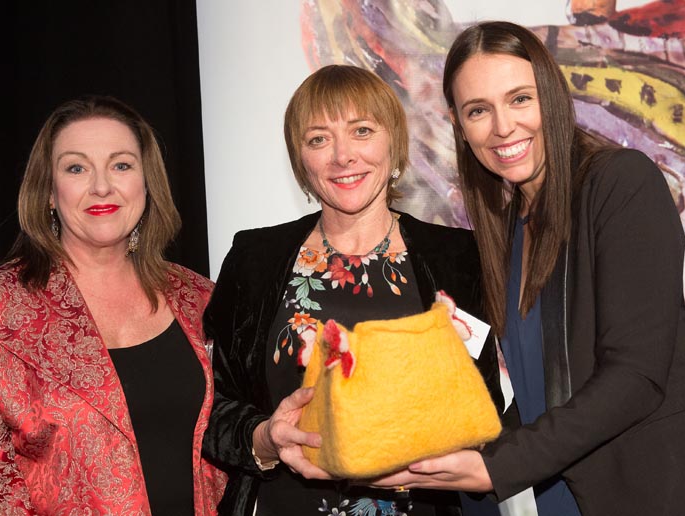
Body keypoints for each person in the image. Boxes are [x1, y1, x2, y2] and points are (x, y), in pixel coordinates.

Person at [370, 20, 685, 516]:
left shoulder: (620, 184)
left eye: (520, 99)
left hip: (663, 495)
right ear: (459, 124)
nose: (503, 127)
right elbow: (536, 396)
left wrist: (495, 468)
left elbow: (635, 376)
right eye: (479, 110)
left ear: (553, 97)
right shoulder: (509, 229)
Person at [201, 64, 504, 516]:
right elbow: (210, 406)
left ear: (393, 143)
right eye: (318, 138)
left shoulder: (459, 257)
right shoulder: (254, 258)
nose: (343, 156)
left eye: (362, 131)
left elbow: (485, 404)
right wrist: (263, 437)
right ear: (300, 159)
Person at [0, 95, 225, 515]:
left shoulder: (201, 299)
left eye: (121, 165)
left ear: (147, 184)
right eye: (76, 167)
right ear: (49, 193)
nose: (102, 186)